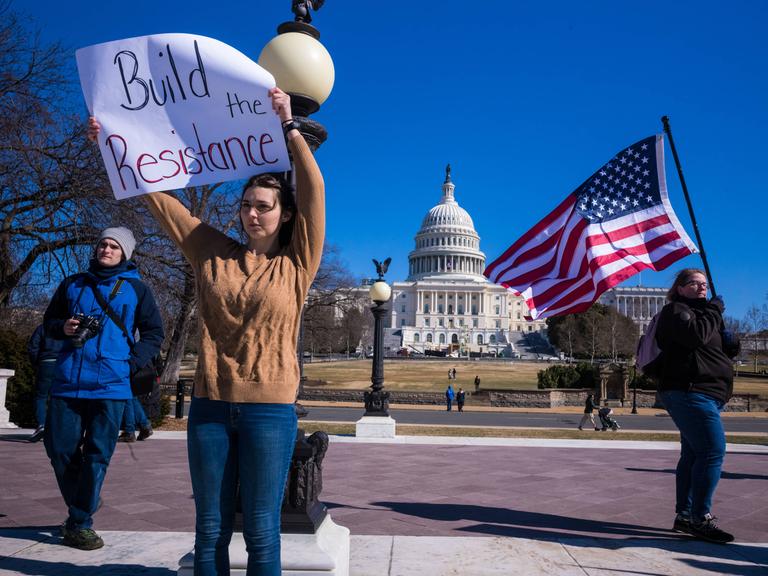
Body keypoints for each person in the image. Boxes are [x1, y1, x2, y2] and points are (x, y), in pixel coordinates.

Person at [89, 87, 323, 574]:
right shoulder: (212, 251)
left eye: (263, 205)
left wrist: (289, 126)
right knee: (209, 528)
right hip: (211, 405)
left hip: (270, 410)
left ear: (284, 214)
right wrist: (113, 144)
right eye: (246, 205)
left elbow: (313, 188)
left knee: (261, 530)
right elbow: (165, 206)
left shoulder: (299, 262)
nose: (252, 213)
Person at [43, 227, 164, 550]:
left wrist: (131, 363)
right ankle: (85, 500)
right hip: (68, 382)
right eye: (103, 244)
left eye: (114, 246)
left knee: (97, 456)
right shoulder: (72, 284)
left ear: (125, 254)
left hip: (111, 385)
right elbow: (49, 324)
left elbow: (154, 333)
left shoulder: (137, 290)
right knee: (60, 452)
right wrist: (63, 327)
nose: (106, 250)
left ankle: (80, 521)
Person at [656, 268, 740, 544]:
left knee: (693, 455)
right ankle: (699, 518)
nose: (702, 287)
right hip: (690, 392)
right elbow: (694, 337)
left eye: (704, 283)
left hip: (708, 393)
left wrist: (729, 342)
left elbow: (710, 349)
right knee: (712, 451)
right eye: (694, 283)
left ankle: (685, 515)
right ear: (680, 288)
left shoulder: (704, 316)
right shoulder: (676, 312)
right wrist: (714, 312)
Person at [26, 323, 65, 442]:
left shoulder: (43, 328)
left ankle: (42, 425)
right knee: (61, 397)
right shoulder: (68, 327)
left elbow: (33, 347)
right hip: (64, 364)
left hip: (46, 362)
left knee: (41, 396)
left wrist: (38, 363)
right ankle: (59, 428)